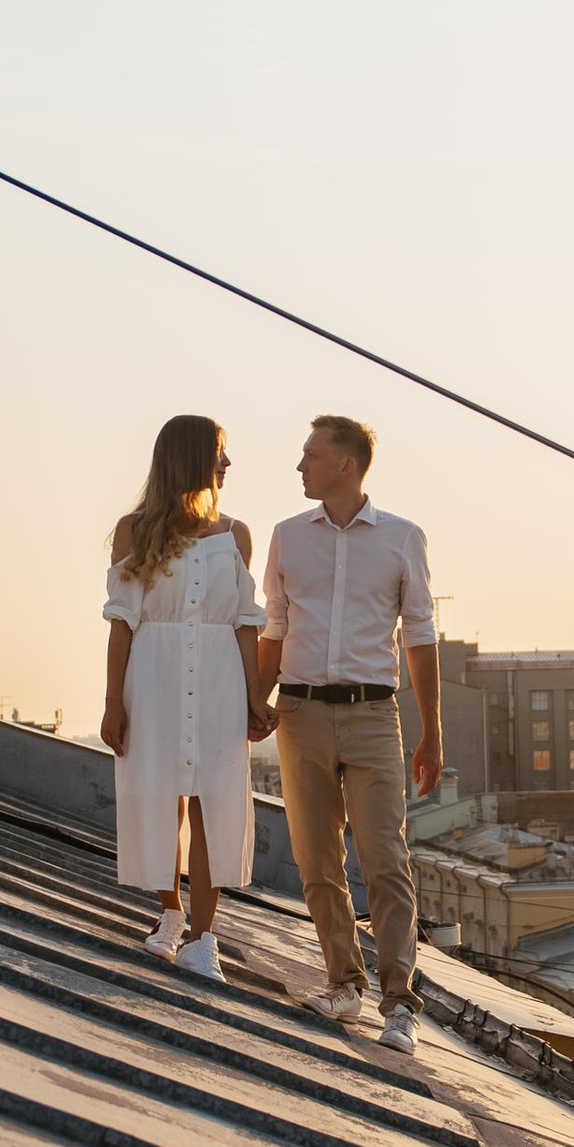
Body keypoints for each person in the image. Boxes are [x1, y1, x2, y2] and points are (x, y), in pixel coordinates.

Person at [254, 414, 441, 1052]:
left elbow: (419, 634)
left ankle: (399, 1003)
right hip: (301, 712)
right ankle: (343, 983)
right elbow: (274, 626)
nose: (299, 466)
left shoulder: (401, 538)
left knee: (386, 860)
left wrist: (432, 732)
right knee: (314, 859)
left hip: (372, 715)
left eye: (310, 455)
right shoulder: (287, 537)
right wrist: (257, 697)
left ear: (346, 465)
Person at [101, 414, 269, 982]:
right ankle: (169, 914)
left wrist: (254, 695)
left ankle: (204, 938)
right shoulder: (135, 531)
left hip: (220, 677)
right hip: (153, 675)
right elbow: (121, 623)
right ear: (191, 457)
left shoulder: (236, 535)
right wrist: (111, 703)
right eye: (220, 452)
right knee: (158, 796)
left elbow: (246, 623)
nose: (227, 464)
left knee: (213, 802)